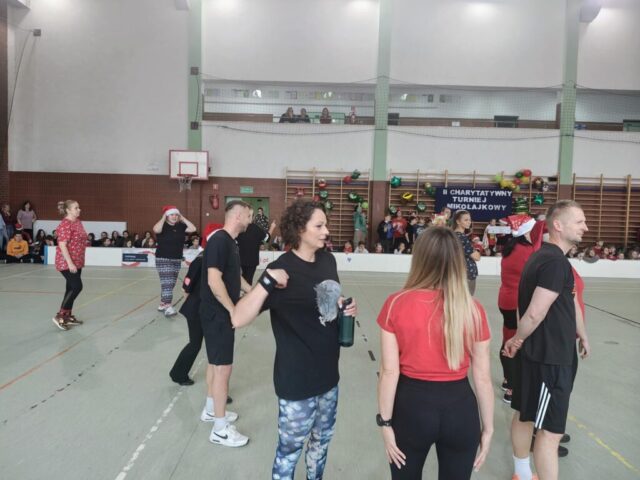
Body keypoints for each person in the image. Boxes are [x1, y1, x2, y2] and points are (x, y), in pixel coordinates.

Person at [232, 200, 358, 479]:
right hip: (296, 383)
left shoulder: (328, 260)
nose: (326, 231)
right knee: (289, 451)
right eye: (319, 226)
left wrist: (342, 307)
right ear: (300, 229)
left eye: (326, 225)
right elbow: (238, 318)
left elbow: (326, 300)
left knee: (321, 444)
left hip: (329, 378)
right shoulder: (282, 269)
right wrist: (266, 281)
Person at [376, 227, 493, 479]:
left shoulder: (395, 304)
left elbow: (389, 372)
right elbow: (482, 378)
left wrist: (385, 423)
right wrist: (488, 428)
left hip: (411, 409)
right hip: (460, 410)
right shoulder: (474, 310)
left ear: (420, 259)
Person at [503, 200, 590, 480]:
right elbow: (534, 312)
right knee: (550, 433)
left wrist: (581, 333)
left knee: (525, 414)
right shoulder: (554, 262)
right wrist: (517, 340)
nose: (585, 227)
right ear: (558, 225)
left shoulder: (543, 258)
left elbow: (568, 301)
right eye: (579, 222)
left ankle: (521, 473)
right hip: (549, 360)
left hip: (541, 355)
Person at [199, 200, 253, 448]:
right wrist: (232, 310)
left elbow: (234, 276)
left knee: (215, 363)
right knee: (223, 369)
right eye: (249, 215)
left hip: (218, 314)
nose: (250, 220)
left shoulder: (230, 242)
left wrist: (253, 291)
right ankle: (220, 430)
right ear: (238, 216)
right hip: (218, 314)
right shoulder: (220, 240)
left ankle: (211, 410)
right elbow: (214, 280)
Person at [497, 215, 544, 404]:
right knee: (516, 343)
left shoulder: (511, 247)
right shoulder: (527, 251)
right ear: (526, 232)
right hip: (518, 303)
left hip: (506, 300)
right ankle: (512, 387)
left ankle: (508, 379)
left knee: (507, 338)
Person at [169, 223, 217, 386]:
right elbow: (186, 288)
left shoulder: (213, 258)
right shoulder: (201, 260)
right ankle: (178, 374)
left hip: (207, 309)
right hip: (197, 309)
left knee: (203, 344)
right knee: (196, 344)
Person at [152, 205, 196, 317]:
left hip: (176, 259)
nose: (174, 216)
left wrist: (183, 218)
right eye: (172, 214)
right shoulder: (162, 226)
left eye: (176, 214)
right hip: (163, 258)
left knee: (171, 283)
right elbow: (156, 229)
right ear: (167, 215)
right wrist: (163, 217)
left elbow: (193, 229)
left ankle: (162, 303)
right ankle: (168, 306)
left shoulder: (181, 226)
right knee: (167, 282)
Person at [52, 200, 87, 330]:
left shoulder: (78, 222)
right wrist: (70, 263)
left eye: (79, 207)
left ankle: (67, 316)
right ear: (68, 210)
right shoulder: (65, 224)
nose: (79, 210)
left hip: (77, 261)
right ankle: (60, 315)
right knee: (77, 286)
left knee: (70, 288)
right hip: (66, 262)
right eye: (76, 208)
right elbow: (62, 245)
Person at [237, 214, 276, 284]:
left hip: (240, 260)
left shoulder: (239, 227)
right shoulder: (256, 228)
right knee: (248, 280)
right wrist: (272, 227)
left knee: (242, 279)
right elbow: (267, 239)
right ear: (253, 217)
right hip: (252, 260)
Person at [453, 210, 480, 295]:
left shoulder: (453, 235)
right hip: (467, 273)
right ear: (458, 221)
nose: (469, 222)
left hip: (458, 272)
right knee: (467, 299)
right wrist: (476, 249)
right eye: (466, 220)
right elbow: (477, 257)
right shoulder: (461, 237)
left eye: (469, 220)